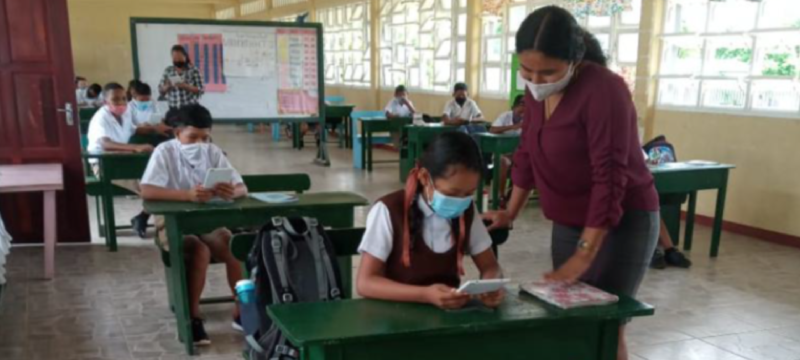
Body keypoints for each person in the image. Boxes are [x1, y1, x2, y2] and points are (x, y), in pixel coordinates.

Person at [482, 7, 659, 360]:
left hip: (622, 220)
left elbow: (609, 176)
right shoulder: (536, 94)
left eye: (548, 71)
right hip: (568, 218)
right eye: (527, 70)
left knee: (605, 324)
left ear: (575, 59)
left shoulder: (605, 90)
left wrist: (585, 252)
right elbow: (528, 151)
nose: (536, 80)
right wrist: (510, 212)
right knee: (569, 318)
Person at [357, 132, 504, 310]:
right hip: (394, 315)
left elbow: (490, 266)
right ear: (425, 178)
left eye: (468, 193)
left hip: (447, 316)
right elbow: (365, 283)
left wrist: (490, 286)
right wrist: (425, 295)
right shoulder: (388, 210)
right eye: (452, 193)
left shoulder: (467, 211)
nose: (460, 201)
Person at [140, 104, 246, 346]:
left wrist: (232, 191)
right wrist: (186, 196)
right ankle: (193, 316)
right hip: (173, 221)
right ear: (177, 133)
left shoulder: (212, 151)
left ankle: (241, 310)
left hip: (207, 220)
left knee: (233, 246)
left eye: (204, 137)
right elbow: (146, 190)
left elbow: (242, 187)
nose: (199, 143)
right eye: (192, 137)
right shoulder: (164, 152)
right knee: (199, 250)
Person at [86, 83, 159, 239]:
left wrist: (155, 128)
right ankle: (149, 220)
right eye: (115, 100)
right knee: (152, 188)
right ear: (105, 102)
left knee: (161, 179)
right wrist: (135, 147)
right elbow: (105, 144)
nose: (121, 103)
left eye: (124, 99)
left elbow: (132, 129)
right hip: (105, 164)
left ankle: (142, 217)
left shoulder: (125, 114)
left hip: (125, 160)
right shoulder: (101, 118)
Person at [489, 94, 526, 200]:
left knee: (524, 162)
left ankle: (511, 194)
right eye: (521, 105)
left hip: (516, 153)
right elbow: (492, 130)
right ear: (513, 107)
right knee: (502, 162)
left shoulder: (528, 119)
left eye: (527, 106)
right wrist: (512, 127)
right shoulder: (505, 116)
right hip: (500, 153)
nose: (524, 109)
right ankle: (501, 195)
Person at [159, 45, 204, 110]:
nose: (177, 61)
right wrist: (167, 86)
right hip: (173, 109)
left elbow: (201, 90)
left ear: (185, 57)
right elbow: (161, 91)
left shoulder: (194, 71)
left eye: (179, 58)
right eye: (175, 59)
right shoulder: (168, 71)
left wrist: (185, 86)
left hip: (191, 109)